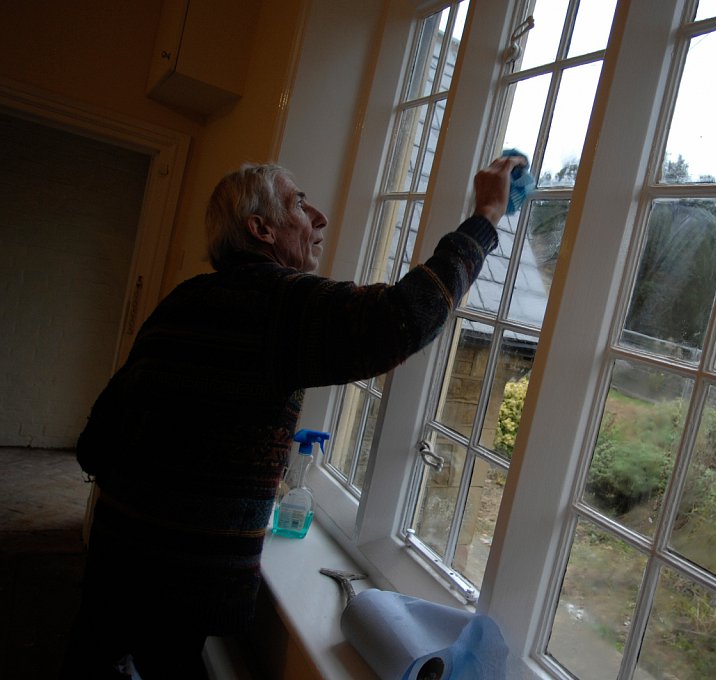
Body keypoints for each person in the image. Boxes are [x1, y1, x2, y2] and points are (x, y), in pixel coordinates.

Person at [61, 155, 523, 679]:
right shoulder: (278, 300)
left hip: (116, 552)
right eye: (299, 204)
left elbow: (100, 435)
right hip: (176, 581)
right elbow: (401, 318)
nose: (319, 216)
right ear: (261, 229)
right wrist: (485, 217)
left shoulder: (185, 298)